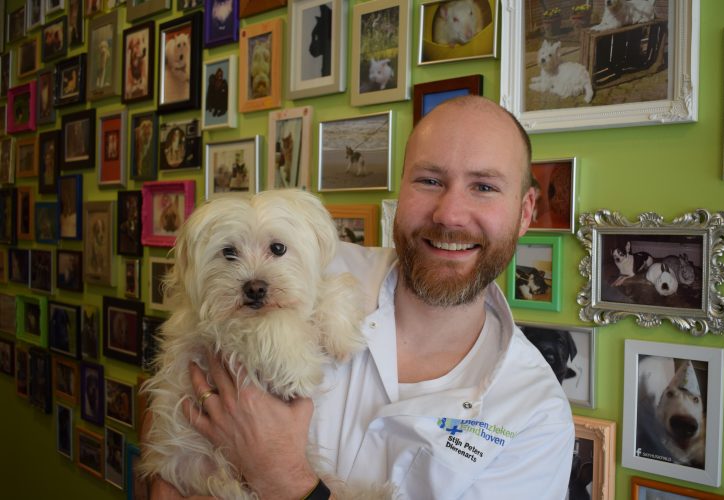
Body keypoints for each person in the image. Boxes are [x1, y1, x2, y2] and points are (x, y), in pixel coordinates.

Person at [150, 95, 574, 499]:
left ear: (525, 212)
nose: (449, 214)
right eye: (429, 181)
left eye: (483, 187)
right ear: (401, 189)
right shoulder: (308, 265)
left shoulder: (534, 415)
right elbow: (172, 394)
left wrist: (285, 479)